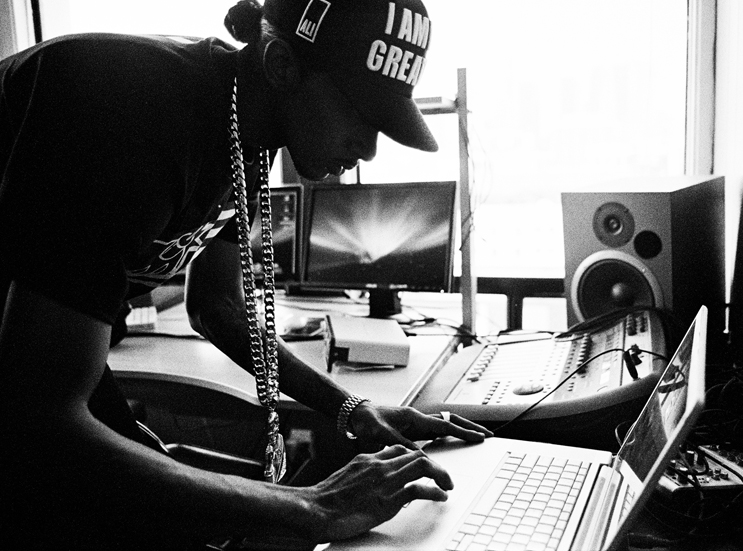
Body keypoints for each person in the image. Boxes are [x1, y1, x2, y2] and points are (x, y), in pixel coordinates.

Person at [0, 0, 492, 549]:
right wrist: (314, 507)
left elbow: (217, 308)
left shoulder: (247, 131)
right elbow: (40, 418)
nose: (370, 150)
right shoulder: (130, 111)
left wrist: (351, 409)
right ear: (282, 64)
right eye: (360, 112)